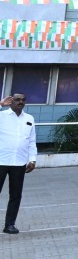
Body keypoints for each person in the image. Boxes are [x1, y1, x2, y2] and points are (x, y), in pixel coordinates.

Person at [0, 93, 37, 235]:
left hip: (19, 163)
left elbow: (31, 141)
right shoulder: (2, 116)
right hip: (1, 161)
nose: (20, 102)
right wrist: (0, 104)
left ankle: (9, 225)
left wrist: (32, 159)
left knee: (15, 195)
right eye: (17, 99)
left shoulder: (29, 119)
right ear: (11, 101)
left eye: (23, 100)